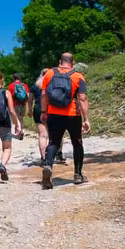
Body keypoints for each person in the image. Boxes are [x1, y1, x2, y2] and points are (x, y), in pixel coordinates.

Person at [40, 53, 91, 189]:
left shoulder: (50, 73)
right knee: (77, 143)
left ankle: (48, 167)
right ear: (72, 62)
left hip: (53, 114)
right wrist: (86, 119)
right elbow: (82, 98)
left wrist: (44, 112)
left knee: (53, 143)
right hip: (72, 115)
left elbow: (44, 95)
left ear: (60, 61)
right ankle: (78, 175)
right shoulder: (78, 76)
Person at [28, 68, 66, 166]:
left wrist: (29, 110)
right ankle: (59, 154)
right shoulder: (53, 83)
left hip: (38, 108)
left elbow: (30, 99)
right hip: (51, 109)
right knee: (57, 133)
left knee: (42, 135)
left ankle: (44, 159)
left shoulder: (35, 85)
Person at [7, 73, 30, 138]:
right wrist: (26, 103)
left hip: (15, 104)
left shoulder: (11, 86)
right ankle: (20, 131)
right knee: (21, 118)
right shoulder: (25, 85)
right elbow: (27, 96)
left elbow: (9, 97)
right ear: (19, 78)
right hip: (23, 104)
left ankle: (19, 131)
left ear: (13, 78)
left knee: (16, 119)